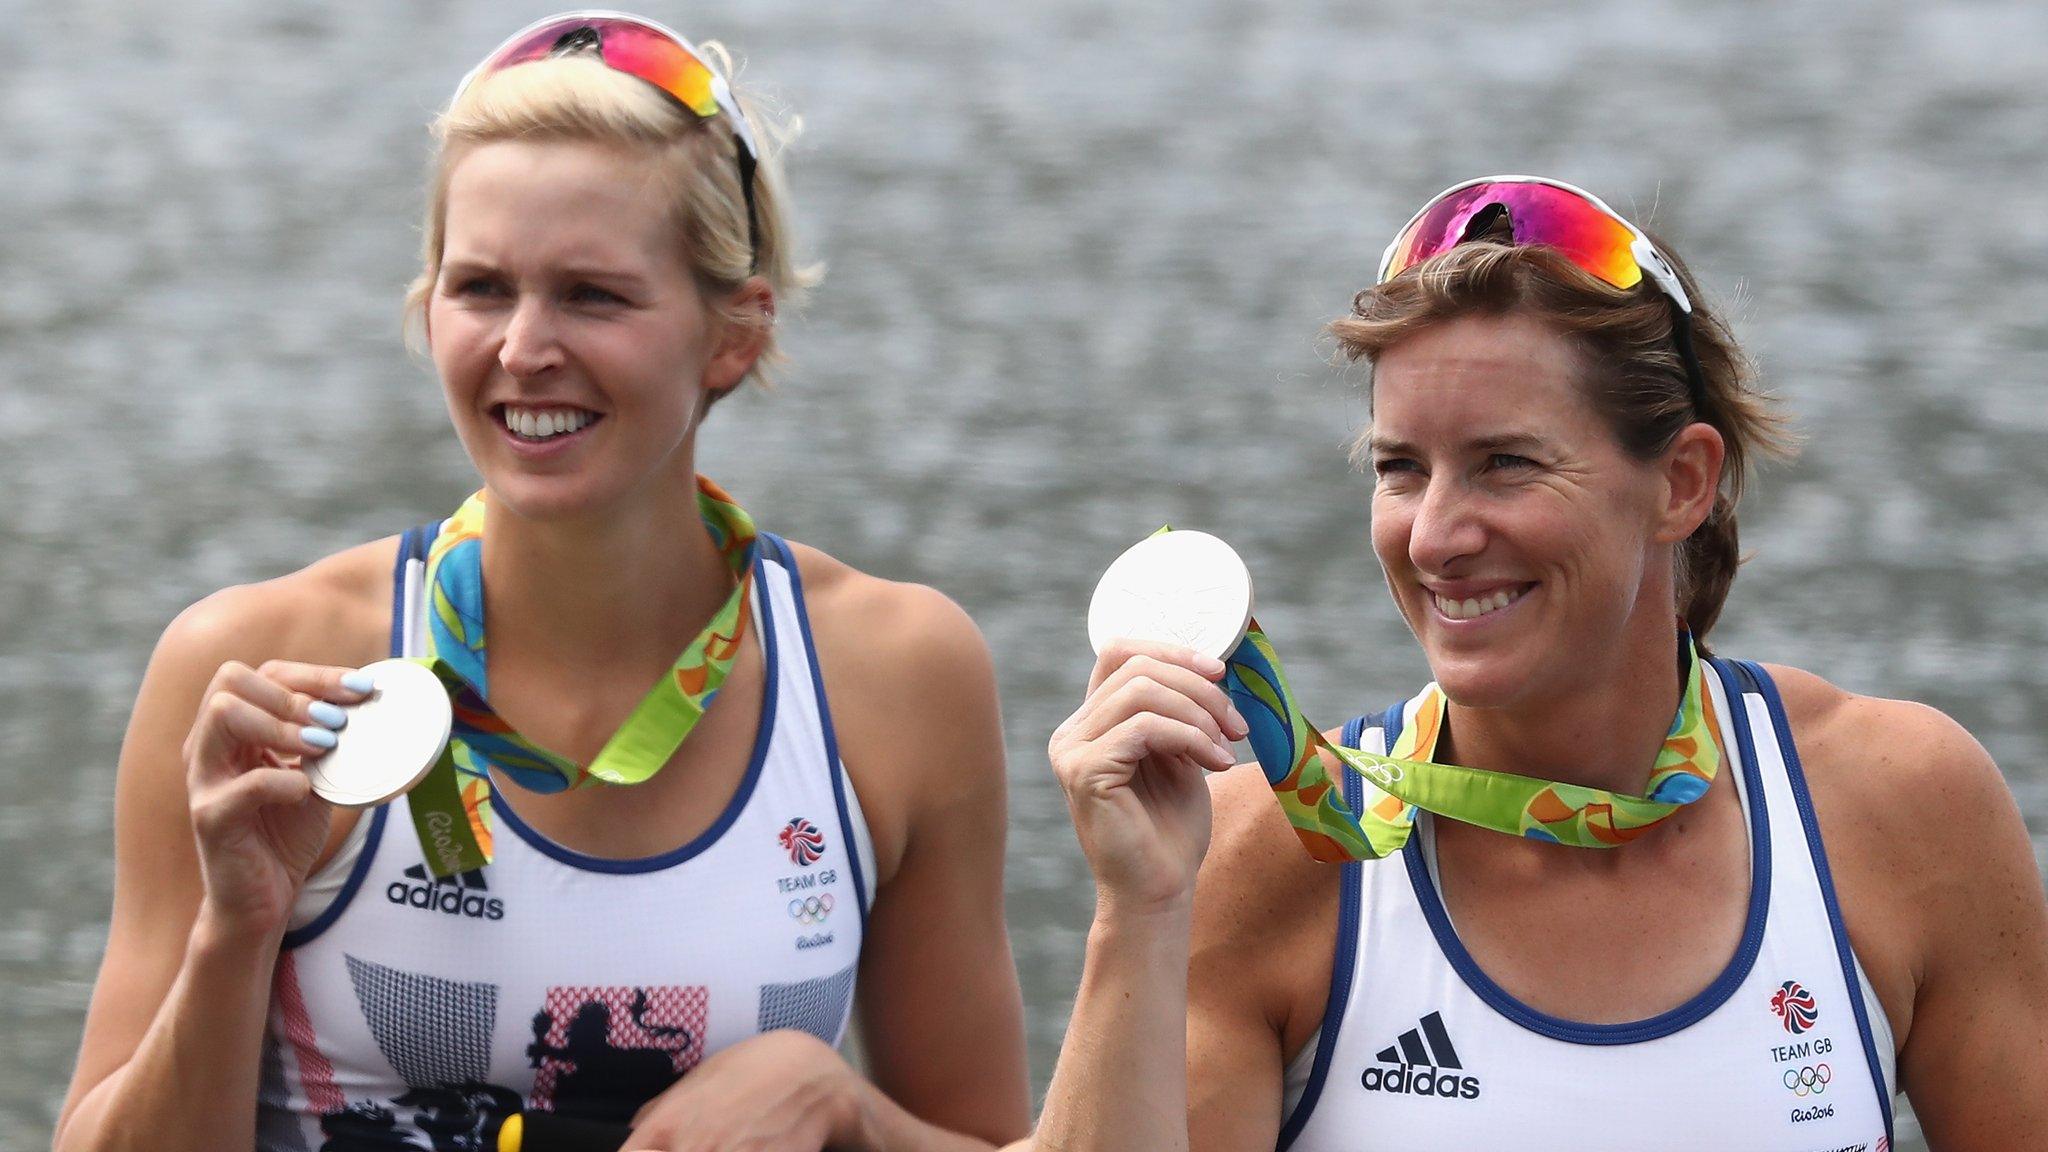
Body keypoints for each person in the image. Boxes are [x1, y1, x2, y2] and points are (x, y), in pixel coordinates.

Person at [54, 13, 1029, 1151]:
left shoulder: (896, 674)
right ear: (428, 310)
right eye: (479, 288)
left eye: (592, 295)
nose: (522, 349)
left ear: (735, 334)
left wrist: (849, 1114)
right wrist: (235, 930)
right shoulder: (267, 677)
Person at [1036, 176, 2048, 1150]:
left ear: (1679, 484)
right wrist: (1139, 912)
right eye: (1400, 469)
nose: (1432, 537)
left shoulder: (1898, 805)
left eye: (1503, 464)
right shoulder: (1266, 854)